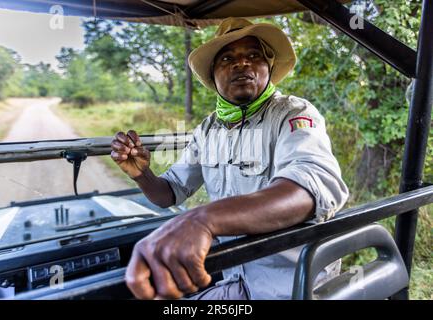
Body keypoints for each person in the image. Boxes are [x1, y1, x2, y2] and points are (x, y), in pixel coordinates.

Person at [110, 17, 349, 300]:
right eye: (227, 58)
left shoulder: (293, 113)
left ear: (268, 68)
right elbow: (170, 193)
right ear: (213, 76)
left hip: (296, 286)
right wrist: (142, 175)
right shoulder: (208, 130)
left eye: (253, 55)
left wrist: (204, 220)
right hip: (236, 281)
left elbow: (308, 189)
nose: (241, 63)